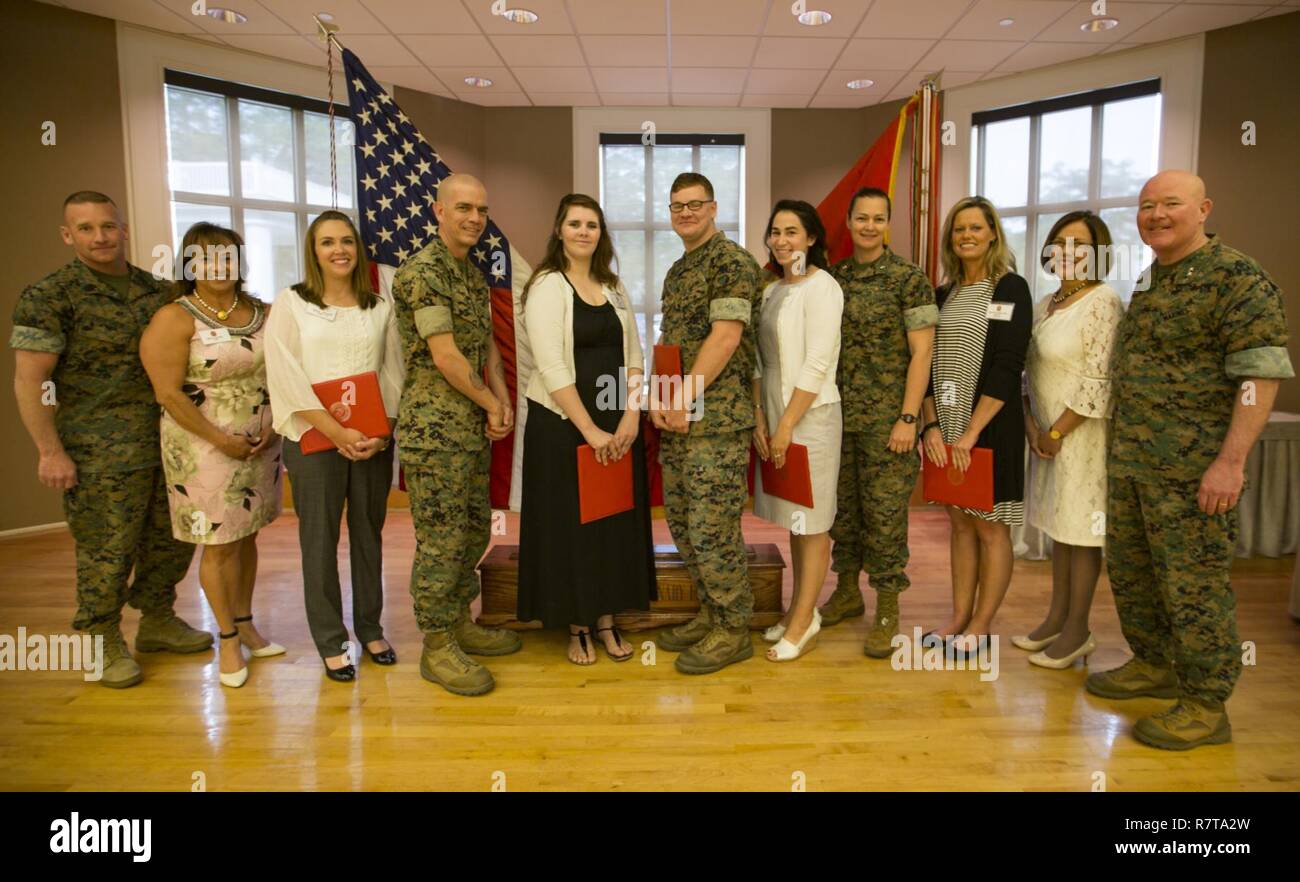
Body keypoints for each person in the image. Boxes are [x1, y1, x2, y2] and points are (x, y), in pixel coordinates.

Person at [1087, 170, 1294, 750]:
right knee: (1134, 574)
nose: (1156, 215)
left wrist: (1230, 463)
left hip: (1193, 471)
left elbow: (1260, 375)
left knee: (1193, 586)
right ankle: (1154, 663)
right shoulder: (1156, 277)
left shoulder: (1237, 278)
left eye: (1170, 204)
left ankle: (1206, 703)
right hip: (1134, 463)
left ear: (1203, 208)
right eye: (1147, 206)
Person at [10, 191, 208, 689]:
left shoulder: (158, 292)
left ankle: (158, 620)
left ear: (123, 229)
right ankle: (100, 639)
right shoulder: (51, 295)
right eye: (86, 228)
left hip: (168, 442)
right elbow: (30, 381)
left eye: (108, 226)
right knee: (107, 549)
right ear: (67, 235)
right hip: (99, 449)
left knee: (171, 540)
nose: (100, 237)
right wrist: (50, 451)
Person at [392, 173, 521, 697]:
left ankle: (460, 621)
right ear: (438, 211)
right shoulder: (424, 271)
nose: (474, 218)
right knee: (441, 542)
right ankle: (438, 643)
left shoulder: (468, 273)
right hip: (434, 430)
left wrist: (502, 396)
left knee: (472, 533)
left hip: (468, 428)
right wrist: (491, 401)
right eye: (463, 208)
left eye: (482, 210)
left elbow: (485, 345)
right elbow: (445, 356)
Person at [140, 222, 284, 689]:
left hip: (261, 442)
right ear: (189, 264)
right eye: (206, 257)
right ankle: (226, 638)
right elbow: (168, 394)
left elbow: (280, 374)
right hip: (202, 447)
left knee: (247, 535)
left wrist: (267, 427)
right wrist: (221, 440)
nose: (220, 266)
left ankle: (245, 622)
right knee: (219, 544)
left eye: (228, 256)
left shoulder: (261, 311)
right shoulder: (174, 318)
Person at [264, 211, 403, 683]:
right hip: (313, 439)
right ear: (313, 250)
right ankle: (331, 639)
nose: (338, 250)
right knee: (319, 541)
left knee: (369, 534)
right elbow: (285, 375)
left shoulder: (379, 307)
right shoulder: (291, 304)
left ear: (358, 250)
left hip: (370, 441)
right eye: (327, 242)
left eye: (346, 241)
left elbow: (392, 373)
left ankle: (369, 627)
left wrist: (380, 432)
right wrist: (337, 432)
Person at [517, 194, 656, 665]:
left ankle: (606, 619)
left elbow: (635, 356)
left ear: (601, 233)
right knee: (572, 528)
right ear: (559, 230)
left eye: (592, 224)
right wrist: (590, 430)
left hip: (618, 426)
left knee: (611, 524)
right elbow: (552, 366)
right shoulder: (547, 286)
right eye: (574, 223)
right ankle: (577, 625)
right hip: (563, 426)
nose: (583, 231)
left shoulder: (612, 286)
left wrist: (631, 415)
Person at [652, 172, 763, 674]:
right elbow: (669, 344)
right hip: (677, 420)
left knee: (714, 527)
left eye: (695, 205)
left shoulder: (732, 262)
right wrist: (660, 398)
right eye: (677, 206)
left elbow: (725, 339)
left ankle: (733, 628)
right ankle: (710, 610)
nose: (686, 214)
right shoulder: (678, 271)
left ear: (714, 208)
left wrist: (681, 398)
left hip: (715, 423)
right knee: (683, 523)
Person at [819, 187, 937, 659]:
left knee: (885, 518)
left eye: (878, 218)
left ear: (888, 223)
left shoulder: (909, 279)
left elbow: (923, 352)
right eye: (861, 217)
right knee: (843, 513)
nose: (869, 226)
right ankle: (847, 591)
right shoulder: (833, 279)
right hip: (836, 419)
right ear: (848, 221)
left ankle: (888, 607)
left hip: (889, 423)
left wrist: (909, 417)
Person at [920, 196, 1032, 656]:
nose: (966, 235)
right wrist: (932, 428)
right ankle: (958, 617)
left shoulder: (1010, 288)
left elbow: (1008, 366)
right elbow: (923, 363)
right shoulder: (941, 294)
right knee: (960, 524)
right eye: (958, 229)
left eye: (975, 228)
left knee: (991, 527)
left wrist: (970, 433)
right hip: (944, 428)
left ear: (992, 234)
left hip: (989, 427)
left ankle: (982, 627)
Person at [1016, 212, 1123, 669]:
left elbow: (1100, 378)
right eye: (1060, 243)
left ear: (1099, 252)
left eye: (1080, 245)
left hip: (1080, 436)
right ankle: (1056, 617)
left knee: (1082, 533)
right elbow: (1027, 373)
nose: (1068, 252)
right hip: (1045, 435)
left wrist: (1058, 430)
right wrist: (1033, 428)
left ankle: (1078, 629)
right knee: (1061, 531)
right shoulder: (1045, 303)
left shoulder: (1103, 302)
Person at [752, 199, 843, 662]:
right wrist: (763, 418)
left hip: (812, 418)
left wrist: (787, 424)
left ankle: (806, 621)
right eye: (776, 232)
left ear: (811, 238)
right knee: (794, 519)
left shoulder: (823, 286)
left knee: (813, 521)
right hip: (775, 417)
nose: (782, 240)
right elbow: (758, 359)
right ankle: (796, 609)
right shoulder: (770, 291)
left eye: (793, 231)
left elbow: (818, 361)